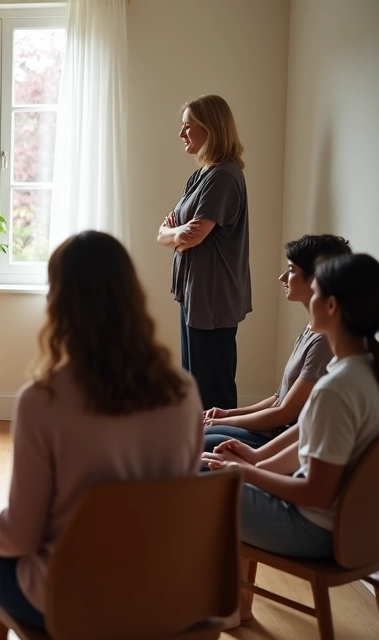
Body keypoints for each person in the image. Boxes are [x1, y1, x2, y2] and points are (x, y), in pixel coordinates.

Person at [0, 231, 202, 640]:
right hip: (164, 593)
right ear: (133, 298)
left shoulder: (43, 401)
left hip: (72, 600)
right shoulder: (183, 391)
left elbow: (21, 537)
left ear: (59, 303)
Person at [205, 253, 379, 629]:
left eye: (315, 291)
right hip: (357, 531)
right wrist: (253, 460)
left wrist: (245, 473)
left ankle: (202, 603)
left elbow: (316, 492)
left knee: (200, 487)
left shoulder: (337, 388)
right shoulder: (363, 372)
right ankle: (234, 606)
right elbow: (306, 437)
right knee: (209, 469)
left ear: (331, 305)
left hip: (317, 532)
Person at [203, 235, 351, 452]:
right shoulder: (311, 329)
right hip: (272, 431)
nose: (282, 277)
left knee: (204, 438)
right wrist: (227, 414)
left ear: (316, 279)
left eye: (291, 270)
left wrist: (220, 423)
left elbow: (285, 414)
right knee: (202, 432)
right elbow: (278, 398)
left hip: (281, 442)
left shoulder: (324, 341)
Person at [157, 94, 251, 411]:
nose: (181, 134)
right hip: (195, 294)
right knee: (195, 382)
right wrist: (174, 234)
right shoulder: (202, 174)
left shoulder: (223, 176)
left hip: (212, 299)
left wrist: (176, 234)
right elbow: (166, 232)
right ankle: (199, 453)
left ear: (209, 128)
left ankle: (219, 456)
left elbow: (193, 235)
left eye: (187, 127)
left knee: (212, 389)